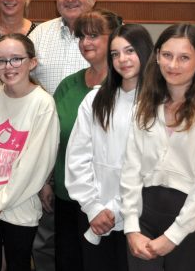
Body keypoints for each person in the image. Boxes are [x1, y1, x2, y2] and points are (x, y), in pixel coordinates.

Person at [121, 23, 195, 270]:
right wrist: (131, 227)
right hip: (144, 221)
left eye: (184, 58)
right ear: (158, 56)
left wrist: (173, 236)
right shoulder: (146, 106)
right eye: (167, 55)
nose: (173, 65)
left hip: (188, 227)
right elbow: (131, 169)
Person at [0, 34, 60, 271]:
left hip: (20, 207)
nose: (9, 67)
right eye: (1, 61)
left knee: (19, 264)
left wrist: (1, 202)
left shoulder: (43, 104)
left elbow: (35, 164)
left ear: (32, 62)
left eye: (16, 59)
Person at [65, 24, 154, 271]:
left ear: (145, 52)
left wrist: (115, 209)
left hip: (138, 217)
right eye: (115, 54)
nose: (122, 59)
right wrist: (93, 207)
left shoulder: (158, 104)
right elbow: (77, 158)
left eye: (130, 51)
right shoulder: (95, 100)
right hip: (94, 213)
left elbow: (149, 167)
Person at [28, 0, 98, 270]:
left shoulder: (112, 36)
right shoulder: (40, 35)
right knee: (46, 242)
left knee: (94, 242)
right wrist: (43, 175)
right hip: (50, 154)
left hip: (98, 162)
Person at [52, 9, 121, 271]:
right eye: (81, 36)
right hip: (66, 196)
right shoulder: (69, 85)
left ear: (113, 39)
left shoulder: (125, 89)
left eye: (94, 35)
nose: (85, 43)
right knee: (67, 262)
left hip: (106, 204)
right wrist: (47, 182)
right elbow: (51, 138)